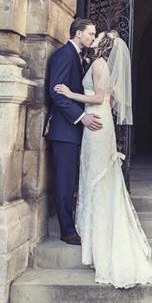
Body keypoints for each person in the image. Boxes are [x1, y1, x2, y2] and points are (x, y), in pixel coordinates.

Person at [54, 30, 152, 288]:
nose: (93, 37)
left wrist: (70, 95)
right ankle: (93, 236)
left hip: (96, 124)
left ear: (102, 45)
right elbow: (111, 98)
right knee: (95, 176)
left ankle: (99, 239)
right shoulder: (98, 65)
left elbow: (101, 98)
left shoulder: (100, 64)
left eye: (97, 35)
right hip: (97, 122)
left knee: (97, 177)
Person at [45, 18, 103, 246]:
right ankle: (67, 230)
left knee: (70, 180)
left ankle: (73, 224)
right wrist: (82, 117)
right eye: (90, 33)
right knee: (64, 182)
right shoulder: (64, 55)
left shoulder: (78, 56)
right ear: (78, 33)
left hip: (73, 130)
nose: (92, 36)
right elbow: (56, 93)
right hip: (64, 130)